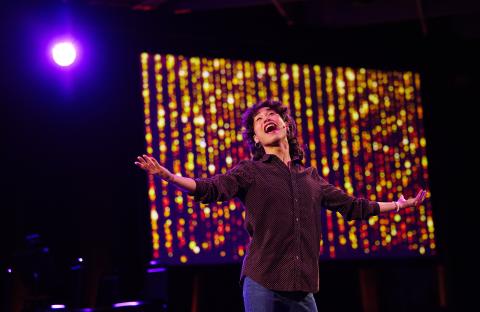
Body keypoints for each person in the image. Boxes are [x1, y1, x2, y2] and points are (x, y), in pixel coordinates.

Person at [135, 99, 427, 312]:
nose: (265, 119)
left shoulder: (310, 177)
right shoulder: (249, 171)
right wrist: (168, 176)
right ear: (257, 139)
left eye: (271, 115)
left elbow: (355, 207)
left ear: (287, 127)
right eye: (258, 120)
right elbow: (210, 189)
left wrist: (400, 205)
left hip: (302, 286)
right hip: (262, 278)